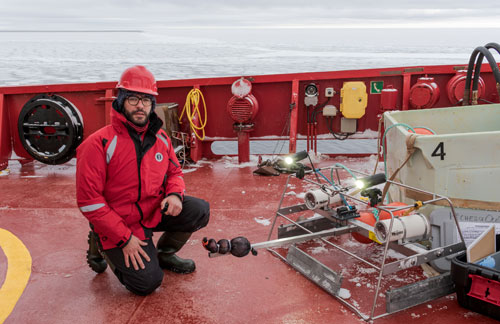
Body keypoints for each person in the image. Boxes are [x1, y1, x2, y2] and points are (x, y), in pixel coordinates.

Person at [76, 65, 210, 296]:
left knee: (199, 210)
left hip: (151, 211)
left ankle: (164, 254)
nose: (140, 106)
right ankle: (100, 238)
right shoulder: (99, 144)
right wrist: (124, 239)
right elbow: (90, 202)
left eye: (146, 100)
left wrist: (174, 194)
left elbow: (174, 172)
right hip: (121, 222)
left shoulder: (160, 137)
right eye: (133, 99)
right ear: (120, 101)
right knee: (146, 283)